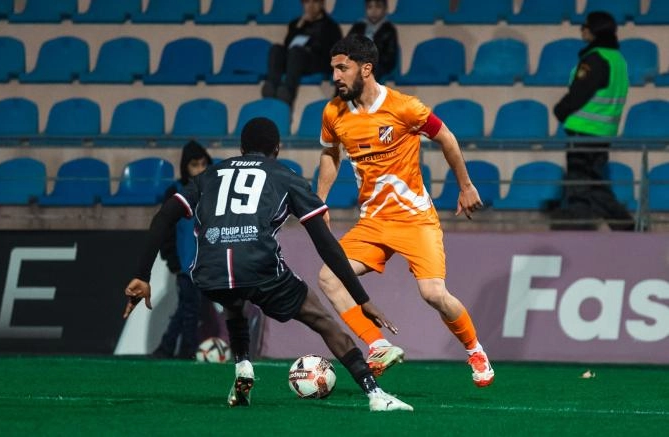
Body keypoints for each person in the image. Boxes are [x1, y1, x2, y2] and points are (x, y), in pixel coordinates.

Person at [123, 117, 413, 411]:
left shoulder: (209, 175)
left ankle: (243, 368)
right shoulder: (285, 177)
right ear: (277, 149)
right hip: (259, 267)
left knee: (233, 298)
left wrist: (141, 275)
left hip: (209, 272)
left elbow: (164, 217)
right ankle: (375, 393)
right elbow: (325, 244)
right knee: (322, 320)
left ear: (241, 148)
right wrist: (361, 299)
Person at [316, 34, 495, 387]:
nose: (335, 76)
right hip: (372, 222)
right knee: (328, 278)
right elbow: (330, 154)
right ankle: (378, 345)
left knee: (433, 294)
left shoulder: (404, 107)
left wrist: (465, 186)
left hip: (415, 220)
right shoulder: (334, 112)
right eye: (333, 69)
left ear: (365, 69)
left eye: (342, 68)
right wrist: (320, 200)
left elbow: (446, 137)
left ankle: (474, 349)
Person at [552, 11, 634, 231]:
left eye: (586, 26)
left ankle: (581, 229)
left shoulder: (595, 59)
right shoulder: (618, 60)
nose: (582, 29)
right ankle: (623, 225)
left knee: (580, 184)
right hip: (603, 131)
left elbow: (580, 92)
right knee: (592, 183)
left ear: (595, 31)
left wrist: (560, 110)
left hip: (584, 131)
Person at [152, 141, 215, 359]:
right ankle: (187, 350)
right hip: (185, 263)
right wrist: (172, 259)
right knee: (191, 309)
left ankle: (166, 348)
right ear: (185, 167)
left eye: (203, 164)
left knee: (187, 308)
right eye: (194, 165)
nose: (200, 169)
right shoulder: (175, 192)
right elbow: (166, 228)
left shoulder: (213, 191)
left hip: (205, 263)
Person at [261, 0, 342, 106]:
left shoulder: (331, 26)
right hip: (294, 61)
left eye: (315, 2)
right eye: (307, 2)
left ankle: (287, 92)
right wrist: (299, 26)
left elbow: (333, 52)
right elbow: (287, 45)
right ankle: (271, 86)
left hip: (316, 62)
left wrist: (312, 44)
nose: (311, 6)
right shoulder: (296, 24)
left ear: (321, 4)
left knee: (296, 51)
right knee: (276, 48)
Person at [347, 0, 398, 83]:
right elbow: (348, 45)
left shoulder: (389, 30)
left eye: (378, 7)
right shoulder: (358, 27)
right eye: (370, 7)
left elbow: (390, 56)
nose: (373, 11)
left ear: (385, 9)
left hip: (378, 64)